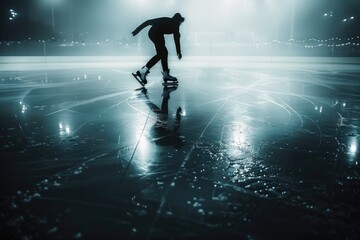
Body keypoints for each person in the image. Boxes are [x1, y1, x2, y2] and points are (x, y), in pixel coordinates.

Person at [132, 13, 185, 85]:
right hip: (155, 34)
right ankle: (143, 71)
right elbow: (176, 39)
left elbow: (148, 22)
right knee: (162, 53)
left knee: (163, 53)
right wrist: (179, 52)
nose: (180, 24)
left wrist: (137, 30)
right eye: (180, 22)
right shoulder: (174, 25)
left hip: (156, 34)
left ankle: (164, 74)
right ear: (178, 20)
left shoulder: (168, 20)